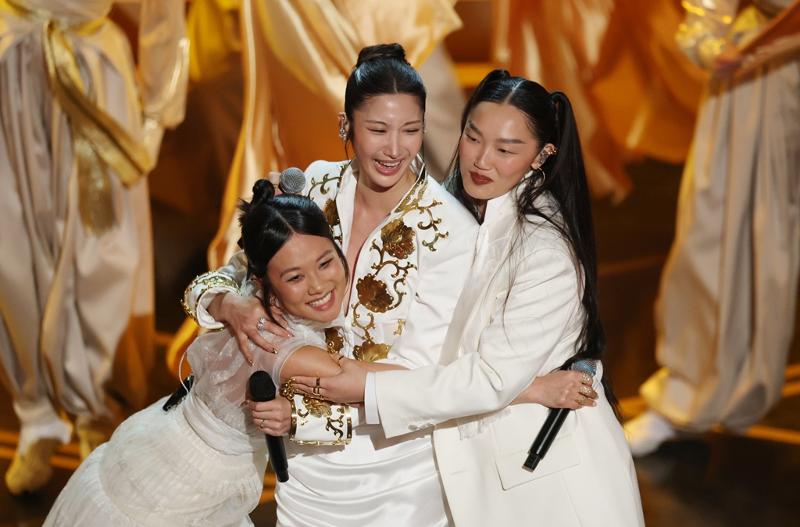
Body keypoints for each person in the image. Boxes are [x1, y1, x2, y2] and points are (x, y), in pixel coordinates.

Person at [183, 45, 596, 526]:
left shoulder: (451, 230)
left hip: (395, 472)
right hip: (299, 469)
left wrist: (304, 415)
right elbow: (236, 276)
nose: (395, 148)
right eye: (378, 129)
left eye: (412, 130)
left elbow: (422, 377)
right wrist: (229, 304)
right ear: (346, 126)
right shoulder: (312, 188)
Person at [288, 70, 645, 526]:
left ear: (543, 156)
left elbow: (490, 377)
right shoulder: (469, 215)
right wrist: (531, 388)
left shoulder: (544, 250)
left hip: (547, 480)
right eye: (474, 138)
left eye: (506, 149)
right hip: (479, 468)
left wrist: (367, 385)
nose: (481, 160)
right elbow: (454, 354)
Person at [43, 182, 381, 526]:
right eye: (296, 277)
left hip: (156, 436)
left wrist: (226, 300)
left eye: (325, 263)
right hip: (185, 483)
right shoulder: (286, 348)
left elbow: (215, 282)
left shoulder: (256, 288)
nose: (318, 285)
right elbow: (377, 389)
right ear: (266, 283)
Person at [0, 0, 188, 495]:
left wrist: (154, 110)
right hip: (9, 66)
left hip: (93, 80)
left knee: (101, 249)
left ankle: (96, 405)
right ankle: (36, 411)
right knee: (11, 245)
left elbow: (160, 10)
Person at [624, 0, 800, 456]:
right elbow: (704, 22)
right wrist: (713, 49)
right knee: (718, 240)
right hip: (760, 88)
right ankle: (684, 395)